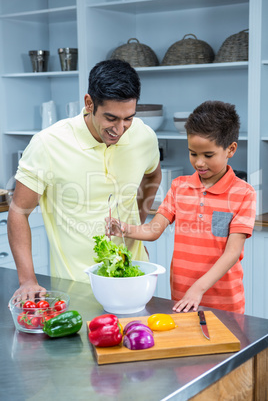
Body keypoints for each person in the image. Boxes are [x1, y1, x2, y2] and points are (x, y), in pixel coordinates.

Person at [8, 59, 161, 298]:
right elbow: (18, 211)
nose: (120, 130)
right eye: (111, 118)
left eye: (128, 118)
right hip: (77, 287)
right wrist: (27, 280)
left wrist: (137, 228)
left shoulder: (144, 136)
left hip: (136, 279)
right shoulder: (48, 144)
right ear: (89, 103)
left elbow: (153, 175)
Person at [106, 100, 256, 314]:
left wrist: (199, 288)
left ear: (230, 149)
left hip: (225, 303)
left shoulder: (244, 193)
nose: (199, 163)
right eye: (193, 153)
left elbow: (232, 253)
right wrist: (124, 228)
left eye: (208, 155)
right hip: (183, 297)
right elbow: (154, 229)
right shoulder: (179, 187)